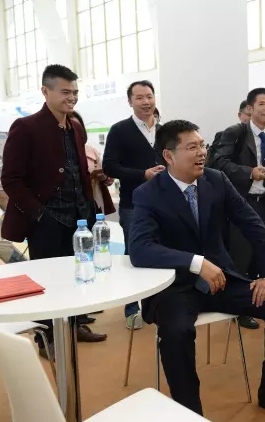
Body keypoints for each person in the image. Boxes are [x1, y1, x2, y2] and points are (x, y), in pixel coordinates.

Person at [128, 120, 265, 419]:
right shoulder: (148, 193)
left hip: (221, 281)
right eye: (192, 147)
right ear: (169, 156)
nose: (202, 152)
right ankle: (190, 412)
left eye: (203, 145)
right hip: (176, 288)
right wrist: (196, 262)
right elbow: (140, 249)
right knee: (176, 333)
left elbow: (251, 223)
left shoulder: (216, 180)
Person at [0, 65, 107, 358]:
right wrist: (38, 214)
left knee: (79, 274)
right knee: (47, 282)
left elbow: (77, 170)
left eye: (75, 92)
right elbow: (11, 179)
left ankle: (75, 325)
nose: (71, 98)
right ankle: (46, 339)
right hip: (46, 220)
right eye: (65, 92)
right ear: (45, 91)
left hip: (79, 218)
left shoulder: (76, 127)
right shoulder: (25, 127)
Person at [103, 80, 165, 331]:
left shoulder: (165, 131)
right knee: (133, 254)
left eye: (149, 96)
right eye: (139, 98)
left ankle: (157, 304)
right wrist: (143, 174)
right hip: (133, 204)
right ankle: (131, 308)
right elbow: (109, 166)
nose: (146, 102)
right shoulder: (120, 130)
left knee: (163, 251)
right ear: (130, 102)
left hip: (165, 204)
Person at [210, 88, 265, 296]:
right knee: (239, 256)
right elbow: (219, 164)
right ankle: (237, 302)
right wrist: (249, 172)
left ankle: (260, 300)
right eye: (262, 104)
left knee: (263, 255)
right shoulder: (235, 133)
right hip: (240, 202)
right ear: (250, 108)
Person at [70, 111, 116, 217]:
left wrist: (104, 177)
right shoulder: (54, 152)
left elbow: (109, 179)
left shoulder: (91, 151)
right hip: (66, 209)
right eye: (71, 127)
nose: (75, 131)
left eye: (78, 127)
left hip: (93, 205)